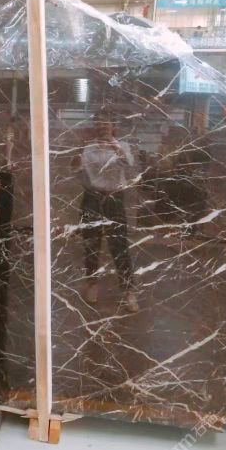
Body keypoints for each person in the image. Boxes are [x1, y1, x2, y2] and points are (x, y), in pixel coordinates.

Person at [77, 112, 138, 312]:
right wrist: (77, 149)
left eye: (106, 124)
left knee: (119, 245)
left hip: (115, 199)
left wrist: (113, 144)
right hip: (92, 198)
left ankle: (128, 291)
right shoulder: (88, 148)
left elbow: (128, 164)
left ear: (113, 126)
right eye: (99, 124)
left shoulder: (123, 146)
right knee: (91, 244)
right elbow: (77, 170)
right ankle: (92, 285)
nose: (103, 127)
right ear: (94, 127)